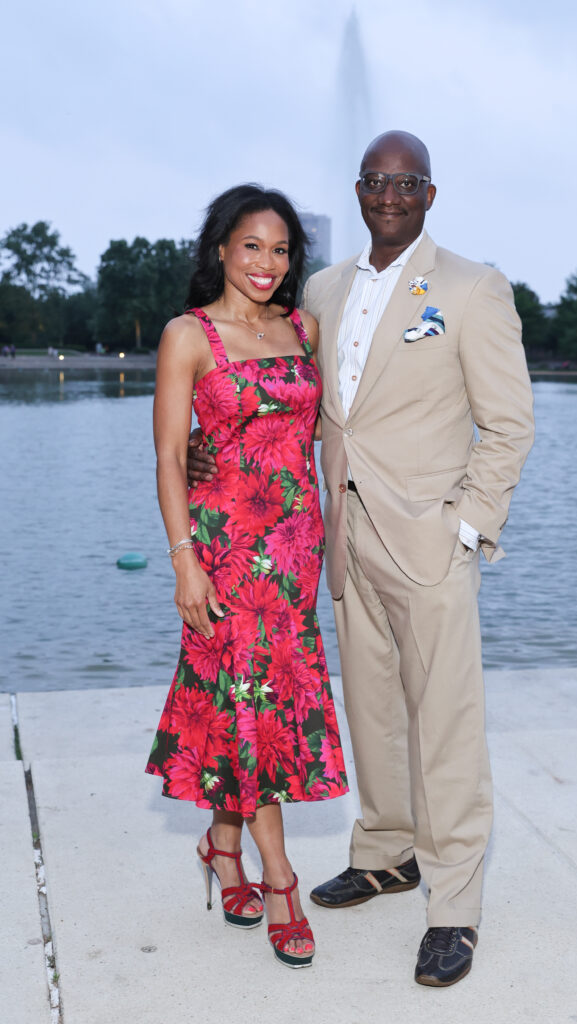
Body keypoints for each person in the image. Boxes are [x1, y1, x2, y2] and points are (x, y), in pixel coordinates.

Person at [188, 131, 534, 987]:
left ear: (428, 192)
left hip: (428, 542)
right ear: (356, 189)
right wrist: (208, 450)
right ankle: (384, 853)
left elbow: (509, 424)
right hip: (335, 542)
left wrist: (465, 524)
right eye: (376, 181)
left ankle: (452, 905)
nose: (389, 194)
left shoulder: (471, 287)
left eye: (405, 182)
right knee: (371, 713)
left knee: (444, 727)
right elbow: (281, 396)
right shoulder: (321, 290)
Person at [146, 184, 348, 970]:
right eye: (251, 246)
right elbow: (169, 455)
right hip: (226, 555)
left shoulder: (303, 327)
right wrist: (184, 561)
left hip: (296, 555)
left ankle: (221, 848)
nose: (266, 263)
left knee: (249, 708)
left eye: (281, 249)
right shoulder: (187, 336)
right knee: (252, 709)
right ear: (221, 250)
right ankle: (281, 883)